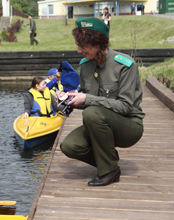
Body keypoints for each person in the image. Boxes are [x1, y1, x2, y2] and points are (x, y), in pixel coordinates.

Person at [59, 17, 144, 187]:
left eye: (83, 46)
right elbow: (86, 97)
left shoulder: (125, 65)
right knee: (69, 146)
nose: (78, 51)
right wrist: (69, 98)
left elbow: (126, 106)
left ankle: (109, 171)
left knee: (92, 113)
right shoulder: (86, 65)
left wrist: (87, 99)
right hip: (101, 122)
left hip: (129, 125)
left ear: (99, 43)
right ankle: (109, 159)